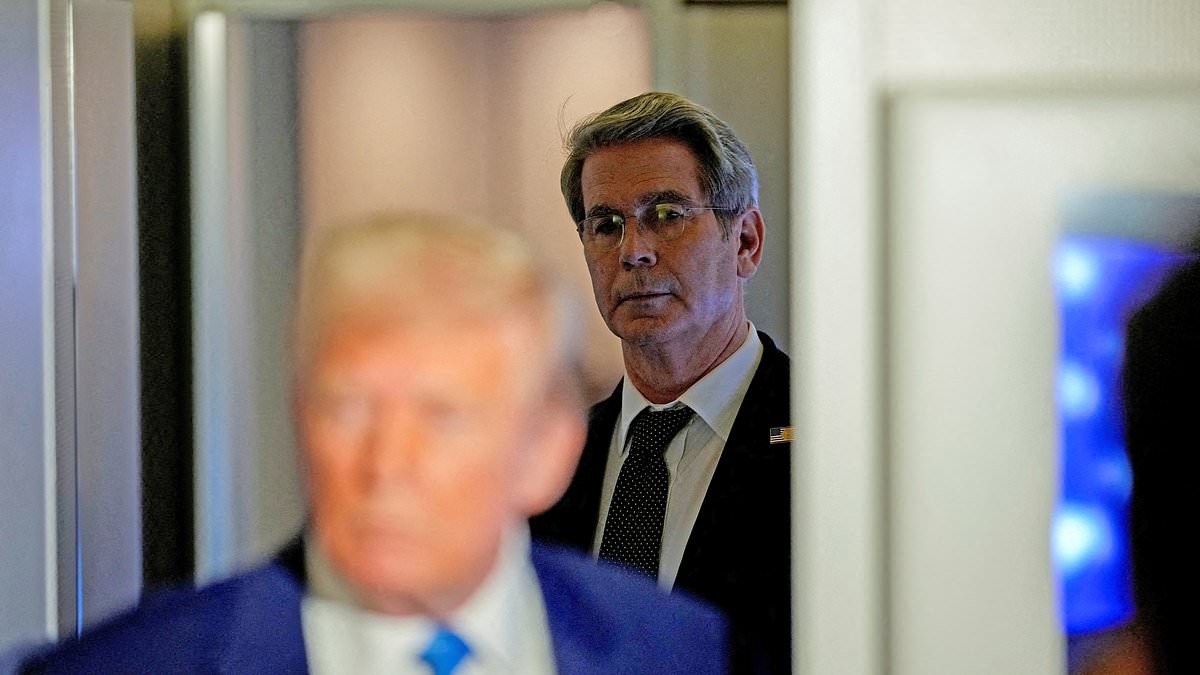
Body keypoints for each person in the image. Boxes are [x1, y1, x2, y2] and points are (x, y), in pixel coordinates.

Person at [20, 213, 728, 674]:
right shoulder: (125, 665)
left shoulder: (686, 652)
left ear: (548, 451)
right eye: (348, 408)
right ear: (299, 416)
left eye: (442, 416)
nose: (386, 464)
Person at [530, 92, 791, 673]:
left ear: (745, 242)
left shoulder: (832, 444)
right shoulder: (548, 460)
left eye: (668, 215)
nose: (634, 252)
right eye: (606, 225)